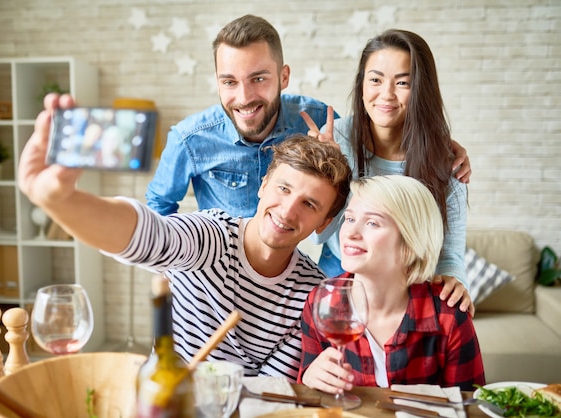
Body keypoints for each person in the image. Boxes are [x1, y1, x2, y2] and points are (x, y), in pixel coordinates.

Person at [17, 93, 353, 382]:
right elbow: (144, 235)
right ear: (263, 185)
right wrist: (61, 200)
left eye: (309, 204)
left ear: (324, 222)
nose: (288, 210)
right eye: (283, 188)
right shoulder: (213, 237)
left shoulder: (313, 292)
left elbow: (272, 386)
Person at [145, 14, 466, 218]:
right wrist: (180, 268)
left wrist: (441, 144)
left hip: (299, 285)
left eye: (258, 79)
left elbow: (381, 130)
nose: (243, 98)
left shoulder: (317, 121)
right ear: (217, 81)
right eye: (229, 82)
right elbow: (158, 208)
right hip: (224, 281)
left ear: (284, 77)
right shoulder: (190, 139)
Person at [302, 29, 470, 312]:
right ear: (362, 84)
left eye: (403, 82)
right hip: (340, 277)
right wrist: (329, 172)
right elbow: (318, 234)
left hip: (409, 287)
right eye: (376, 80)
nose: (386, 94)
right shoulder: (336, 139)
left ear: (421, 88)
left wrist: (454, 281)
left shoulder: (445, 159)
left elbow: (449, 253)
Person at [299, 175, 485, 392]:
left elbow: (471, 407)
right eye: (349, 219)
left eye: (372, 223)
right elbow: (309, 398)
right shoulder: (321, 303)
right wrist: (308, 377)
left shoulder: (450, 318)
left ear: (410, 243)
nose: (350, 233)